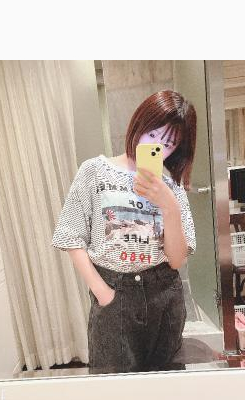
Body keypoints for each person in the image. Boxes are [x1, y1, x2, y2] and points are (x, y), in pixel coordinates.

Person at [51, 90, 197, 373]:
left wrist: (170, 206)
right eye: (152, 134)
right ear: (139, 123)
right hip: (114, 291)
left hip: (163, 293)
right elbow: (71, 235)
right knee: (112, 386)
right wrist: (102, 292)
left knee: (165, 384)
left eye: (168, 143)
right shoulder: (94, 171)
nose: (157, 146)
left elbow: (177, 259)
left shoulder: (172, 187)